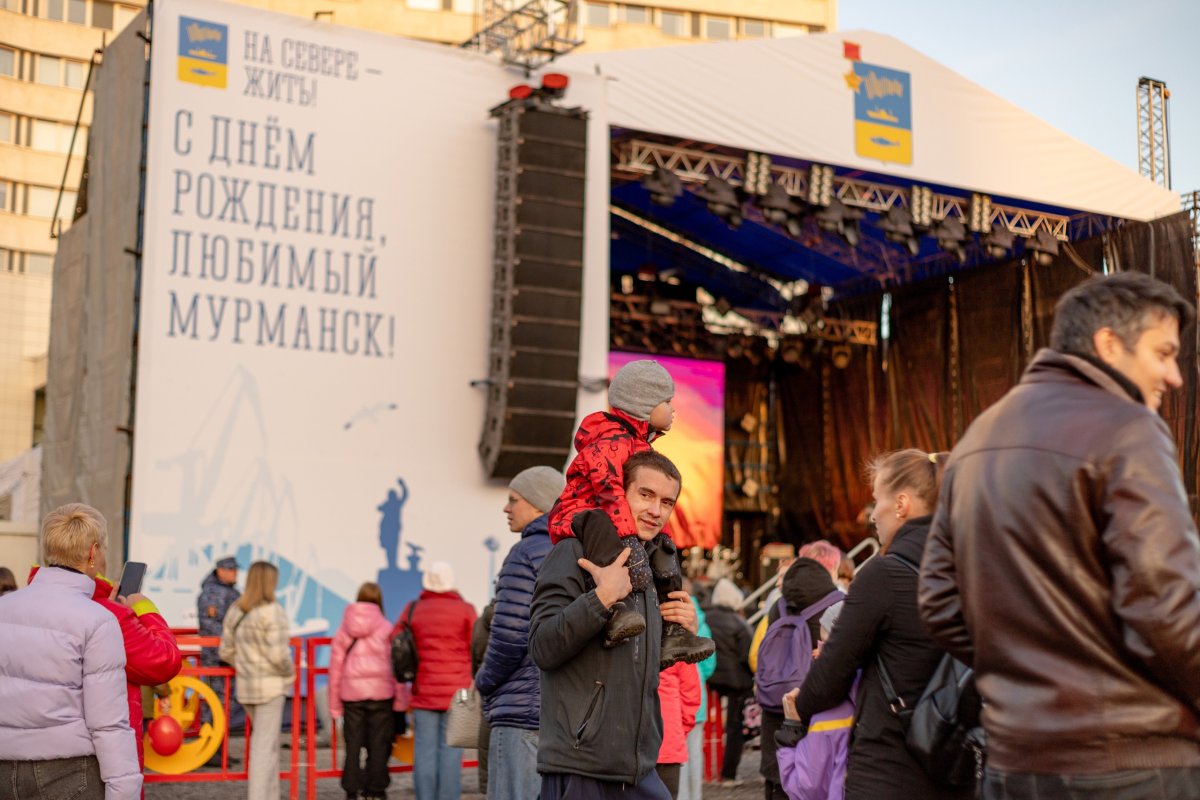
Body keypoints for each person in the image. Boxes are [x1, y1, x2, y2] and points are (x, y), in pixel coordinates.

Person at [920, 271, 1200, 799]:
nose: (1175, 375)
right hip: (1133, 766)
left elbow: (939, 602)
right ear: (1109, 344)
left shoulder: (977, 438)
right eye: (1163, 353)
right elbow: (1165, 608)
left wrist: (1026, 680)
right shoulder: (1128, 427)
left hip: (1013, 761)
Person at [784, 450, 965, 800]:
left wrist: (797, 709)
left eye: (876, 500)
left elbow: (830, 676)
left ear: (901, 504)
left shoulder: (883, 575)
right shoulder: (975, 571)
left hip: (890, 769)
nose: (872, 515)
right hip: (959, 767)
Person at [531, 450, 700, 800]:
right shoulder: (572, 552)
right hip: (581, 766)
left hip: (638, 766)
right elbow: (542, 647)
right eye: (645, 494)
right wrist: (601, 598)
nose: (656, 510)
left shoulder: (652, 569)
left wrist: (677, 631)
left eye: (666, 502)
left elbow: (628, 664)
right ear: (619, 495)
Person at [549, 359, 713, 667]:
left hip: (614, 522)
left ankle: (672, 632)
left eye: (665, 502)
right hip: (583, 516)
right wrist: (629, 541)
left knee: (665, 548)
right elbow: (609, 493)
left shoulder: (643, 450)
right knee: (601, 524)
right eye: (667, 402)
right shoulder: (609, 442)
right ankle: (615, 611)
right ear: (644, 403)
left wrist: (661, 542)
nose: (673, 410)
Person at [0, 503, 142, 799]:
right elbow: (108, 723)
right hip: (68, 770)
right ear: (93, 552)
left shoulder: (4, 607)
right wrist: (123, 790)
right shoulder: (98, 620)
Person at [22, 562, 184, 772]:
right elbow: (163, 662)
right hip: (90, 757)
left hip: (21, 753)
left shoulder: (16, 605)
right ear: (93, 552)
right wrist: (144, 610)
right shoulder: (109, 613)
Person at [474, 465, 565, 800]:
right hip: (560, 713)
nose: (506, 508)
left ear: (539, 504)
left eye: (514, 500)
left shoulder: (524, 553)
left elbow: (510, 635)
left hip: (519, 710)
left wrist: (484, 681)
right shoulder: (571, 549)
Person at [755, 559, 840, 800]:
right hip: (817, 717)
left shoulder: (778, 606)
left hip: (775, 715)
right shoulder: (836, 607)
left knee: (778, 784)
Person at [393, 561, 476, 800]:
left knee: (424, 753)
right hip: (456, 694)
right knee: (451, 751)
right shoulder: (465, 610)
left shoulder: (413, 608)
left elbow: (395, 637)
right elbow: (476, 645)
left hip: (424, 691)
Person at [219, 561, 295, 800]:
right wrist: (289, 673)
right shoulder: (273, 611)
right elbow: (279, 656)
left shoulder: (236, 610)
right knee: (264, 749)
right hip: (271, 687)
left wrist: (245, 665)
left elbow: (225, 651)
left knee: (267, 747)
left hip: (247, 687)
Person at [329, 582, 397, 800]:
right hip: (381, 694)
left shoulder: (344, 628)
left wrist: (334, 705)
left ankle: (351, 790)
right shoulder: (386, 627)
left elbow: (335, 669)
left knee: (353, 745)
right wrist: (401, 701)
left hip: (352, 695)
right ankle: (375, 790)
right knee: (379, 745)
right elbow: (395, 665)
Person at [704, 577, 753, 786]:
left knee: (707, 724)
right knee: (735, 727)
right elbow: (747, 656)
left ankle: (707, 771)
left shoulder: (705, 617)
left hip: (711, 680)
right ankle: (728, 774)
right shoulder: (740, 623)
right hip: (736, 682)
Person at [678, 583, 717, 800]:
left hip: (675, 699)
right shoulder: (702, 622)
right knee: (695, 754)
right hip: (697, 696)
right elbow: (709, 665)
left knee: (678, 756)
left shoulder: (669, 616)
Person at [198, 555, 245, 734]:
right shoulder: (212, 593)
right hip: (216, 657)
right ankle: (210, 739)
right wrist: (230, 643)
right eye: (231, 569)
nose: (235, 573)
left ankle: (218, 740)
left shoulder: (230, 592)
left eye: (235, 569)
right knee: (215, 699)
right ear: (220, 571)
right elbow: (210, 625)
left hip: (227, 655)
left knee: (225, 700)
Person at [656, 660, 702, 798]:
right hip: (668, 737)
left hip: (630, 742)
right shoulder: (679, 649)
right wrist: (680, 731)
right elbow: (691, 695)